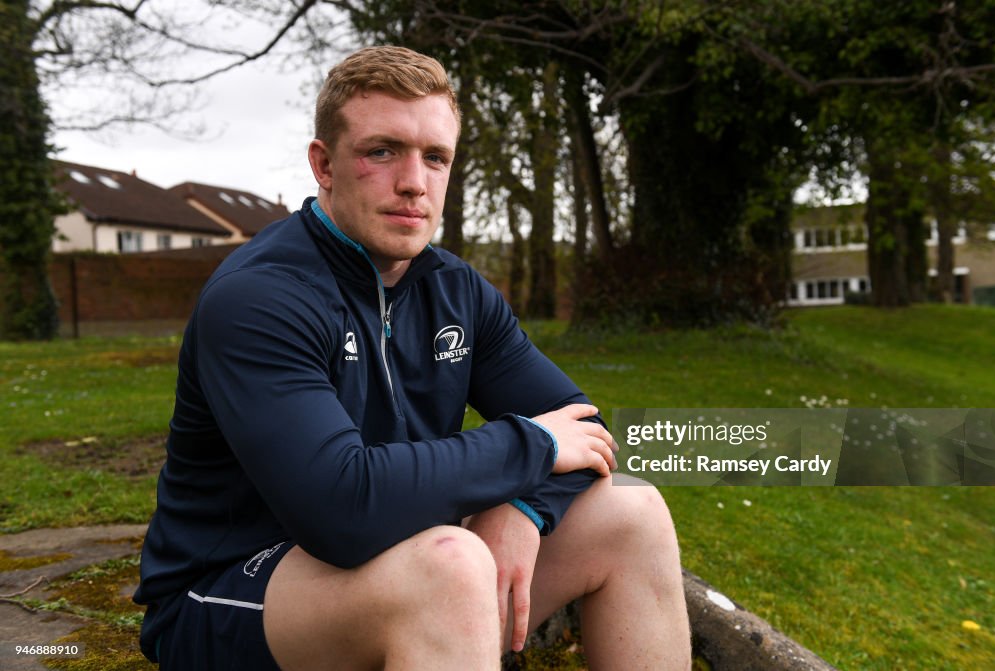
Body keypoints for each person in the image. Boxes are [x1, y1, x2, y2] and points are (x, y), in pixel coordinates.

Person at [135, 45, 691, 670]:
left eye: (435, 157)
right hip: (232, 591)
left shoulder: (457, 290)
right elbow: (342, 508)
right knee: (451, 568)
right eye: (382, 151)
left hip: (405, 558)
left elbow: (584, 430)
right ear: (323, 164)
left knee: (632, 512)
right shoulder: (260, 298)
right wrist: (530, 447)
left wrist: (525, 508)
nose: (413, 182)